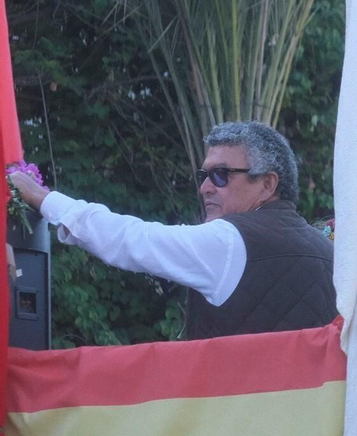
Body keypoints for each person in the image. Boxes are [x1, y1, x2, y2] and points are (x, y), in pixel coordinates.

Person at [7, 121, 335, 339]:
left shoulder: (230, 240)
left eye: (221, 175)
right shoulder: (330, 253)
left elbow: (131, 239)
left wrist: (45, 199)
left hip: (239, 430)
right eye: (203, 176)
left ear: (267, 184)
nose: (205, 187)